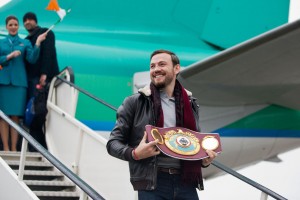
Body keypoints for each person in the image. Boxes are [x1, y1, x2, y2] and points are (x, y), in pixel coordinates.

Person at [106, 49, 217, 199]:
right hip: (153, 184)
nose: (156, 69)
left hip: (186, 183)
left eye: (162, 64)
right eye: (152, 66)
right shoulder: (134, 102)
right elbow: (112, 143)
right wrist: (135, 154)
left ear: (176, 68)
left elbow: (191, 144)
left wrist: (204, 160)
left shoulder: (191, 103)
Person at [0, 15, 46, 151]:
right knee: (3, 117)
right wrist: (9, 56)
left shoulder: (25, 43)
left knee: (15, 116)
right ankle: (6, 147)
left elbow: (32, 59)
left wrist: (37, 43)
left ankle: (14, 148)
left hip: (19, 84)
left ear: (18, 26)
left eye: (15, 25)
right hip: (3, 83)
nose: (13, 27)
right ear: (6, 27)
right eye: (10, 25)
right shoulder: (1, 43)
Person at [23, 12, 59, 151]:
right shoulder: (27, 39)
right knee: (32, 113)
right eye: (25, 20)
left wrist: (44, 73)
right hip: (30, 81)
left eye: (30, 19)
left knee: (40, 113)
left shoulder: (46, 33)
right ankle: (34, 145)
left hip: (43, 79)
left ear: (35, 20)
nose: (27, 22)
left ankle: (41, 147)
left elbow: (48, 54)